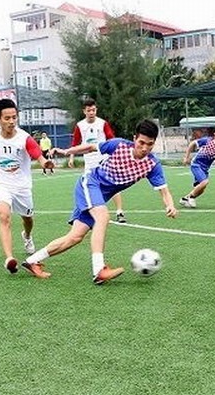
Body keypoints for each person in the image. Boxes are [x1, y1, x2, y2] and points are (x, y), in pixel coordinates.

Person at [24, 119, 178, 285]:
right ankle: (99, 270)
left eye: (150, 144)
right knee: (103, 217)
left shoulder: (152, 164)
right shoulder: (118, 145)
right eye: (141, 142)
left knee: (75, 237)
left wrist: (170, 205)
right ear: (134, 138)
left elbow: (164, 191)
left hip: (99, 196)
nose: (145, 148)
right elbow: (90, 147)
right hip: (90, 183)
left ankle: (33, 260)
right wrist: (66, 151)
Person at [0, 99, 54, 277]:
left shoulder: (24, 138)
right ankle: (9, 258)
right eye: (7, 118)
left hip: (22, 187)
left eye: (14, 117)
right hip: (2, 184)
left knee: (28, 219)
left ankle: (27, 236)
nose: (11, 121)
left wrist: (45, 162)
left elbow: (37, 154)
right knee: (3, 215)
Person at [68, 98, 126, 223]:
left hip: (103, 159)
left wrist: (114, 156)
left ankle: (120, 212)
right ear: (84, 111)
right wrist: (71, 157)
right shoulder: (80, 126)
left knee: (113, 184)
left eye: (93, 110)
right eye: (89, 110)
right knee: (85, 187)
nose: (91, 113)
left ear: (96, 110)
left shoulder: (102, 123)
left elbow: (111, 140)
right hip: (89, 161)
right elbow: (75, 143)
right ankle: (79, 215)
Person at [179, 124, 215, 208]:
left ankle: (185, 199)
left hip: (205, 168)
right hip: (196, 164)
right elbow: (192, 144)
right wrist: (186, 157)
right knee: (204, 182)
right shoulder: (207, 141)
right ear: (214, 133)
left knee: (201, 189)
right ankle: (191, 197)